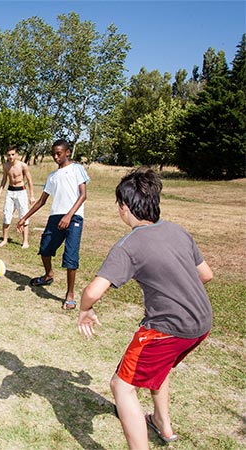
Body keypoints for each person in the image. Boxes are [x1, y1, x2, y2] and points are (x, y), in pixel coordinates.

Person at [77, 168, 213, 449]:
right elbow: (206, 275)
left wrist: (84, 310)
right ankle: (163, 425)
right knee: (159, 369)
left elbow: (92, 291)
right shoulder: (178, 230)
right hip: (201, 324)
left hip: (167, 329)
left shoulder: (128, 245)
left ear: (124, 208)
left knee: (122, 387)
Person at [16, 139, 89, 310]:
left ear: (67, 152)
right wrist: (24, 217)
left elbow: (83, 195)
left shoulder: (77, 169)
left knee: (70, 257)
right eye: (54, 154)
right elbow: (42, 201)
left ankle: (69, 295)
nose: (56, 157)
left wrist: (69, 216)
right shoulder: (52, 176)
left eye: (59, 153)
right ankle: (48, 275)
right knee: (45, 248)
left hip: (74, 217)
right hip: (55, 217)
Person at [0, 146, 35, 248]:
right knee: (6, 215)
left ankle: (25, 241)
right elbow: (4, 179)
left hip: (21, 192)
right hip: (10, 192)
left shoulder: (23, 166)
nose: (11, 157)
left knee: (24, 216)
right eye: (9, 155)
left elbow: (30, 180)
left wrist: (32, 196)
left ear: (17, 155)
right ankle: (4, 240)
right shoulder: (5, 166)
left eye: (13, 154)